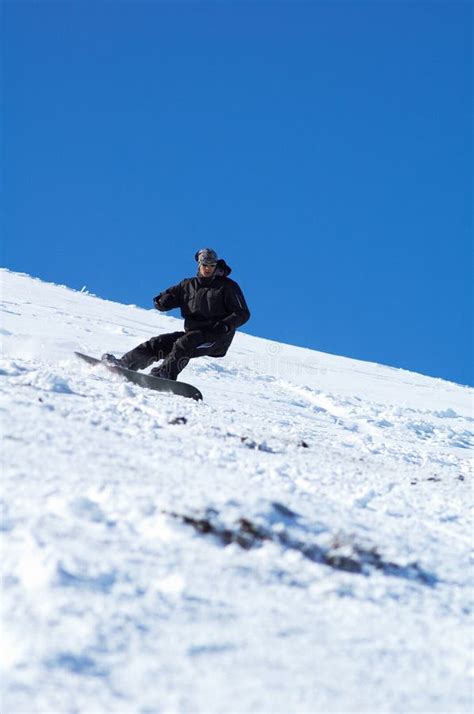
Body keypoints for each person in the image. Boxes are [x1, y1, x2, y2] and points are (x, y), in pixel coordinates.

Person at [102, 248, 250, 381]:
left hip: (216, 338)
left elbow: (242, 313)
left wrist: (225, 325)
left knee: (185, 343)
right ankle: (125, 364)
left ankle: (165, 374)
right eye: (205, 265)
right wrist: (162, 301)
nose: (208, 269)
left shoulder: (227, 286)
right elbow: (165, 299)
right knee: (159, 342)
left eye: (212, 265)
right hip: (193, 333)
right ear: (199, 264)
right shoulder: (187, 285)